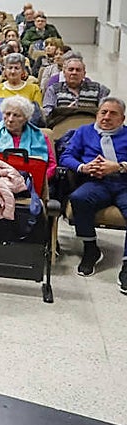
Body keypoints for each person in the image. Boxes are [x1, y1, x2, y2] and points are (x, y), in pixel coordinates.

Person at [57, 97, 127, 287]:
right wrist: (83, 167)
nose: (106, 117)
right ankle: (90, 249)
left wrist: (119, 166)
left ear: (122, 118)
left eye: (113, 114)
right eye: (103, 112)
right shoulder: (84, 132)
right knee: (79, 198)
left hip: (123, 183)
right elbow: (66, 156)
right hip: (96, 183)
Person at [0, 95, 56, 193]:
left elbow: (51, 165)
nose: (10, 119)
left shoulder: (41, 137)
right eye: (7, 114)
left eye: (16, 115)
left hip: (31, 187)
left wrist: (37, 180)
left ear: (26, 118)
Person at [43, 57, 109, 125]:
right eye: (71, 69)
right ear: (64, 73)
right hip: (62, 129)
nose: (74, 73)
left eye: (78, 70)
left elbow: (105, 112)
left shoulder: (99, 89)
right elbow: (47, 114)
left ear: (84, 74)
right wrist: (65, 111)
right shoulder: (53, 89)